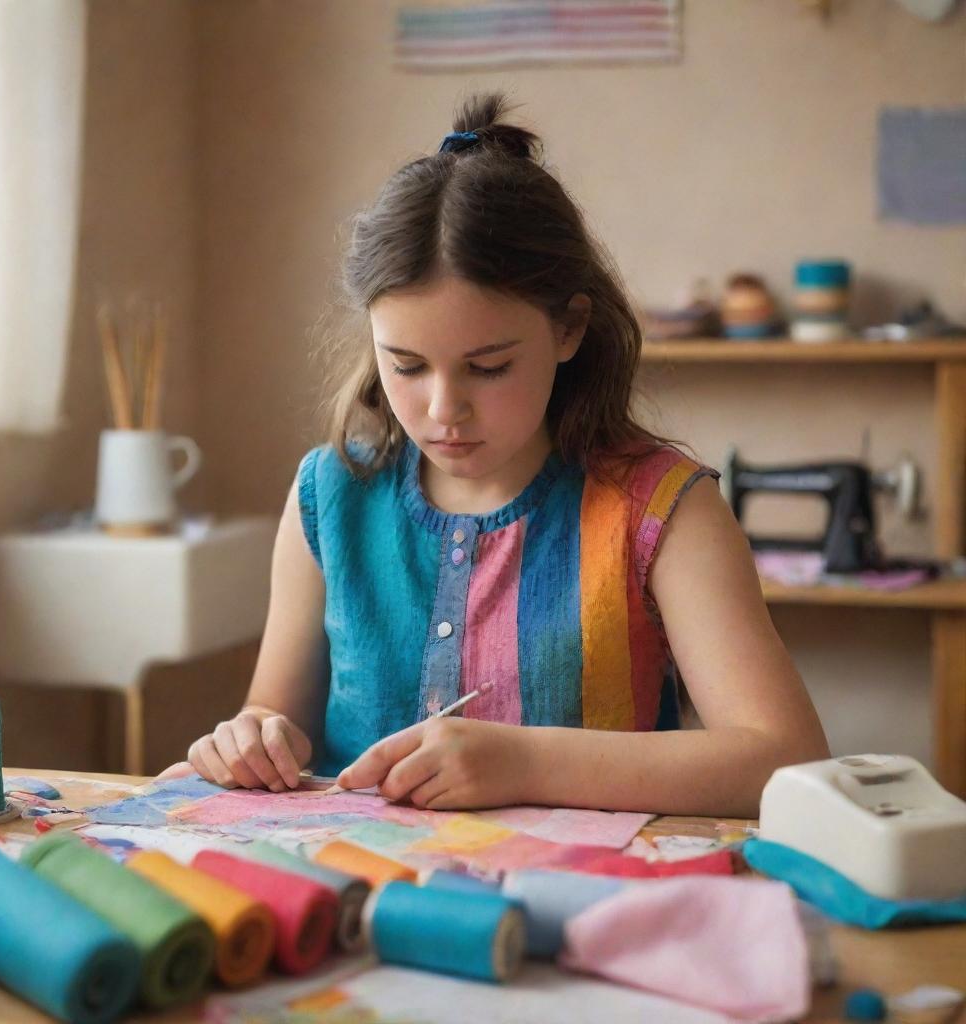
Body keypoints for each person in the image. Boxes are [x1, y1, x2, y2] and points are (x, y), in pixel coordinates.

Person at [161, 94, 829, 817]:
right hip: (361, 900)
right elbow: (274, 717)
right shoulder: (331, 495)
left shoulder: (662, 510)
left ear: (569, 329)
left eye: (488, 367)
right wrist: (252, 739)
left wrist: (527, 760)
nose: (443, 411)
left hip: (580, 907)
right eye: (407, 365)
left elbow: (784, 757)